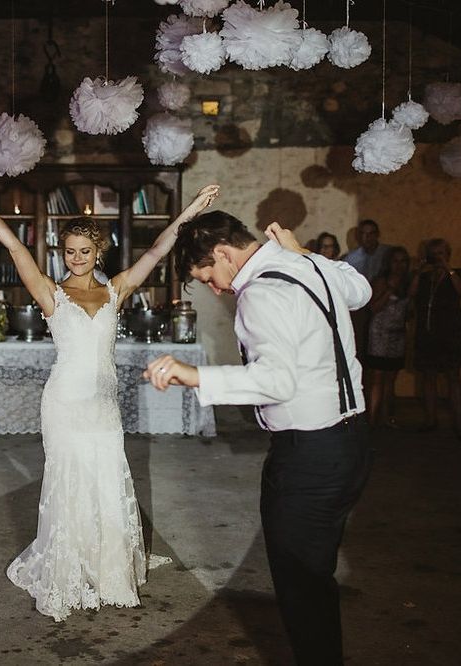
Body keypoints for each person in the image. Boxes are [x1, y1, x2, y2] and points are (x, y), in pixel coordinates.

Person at [0, 175, 220, 622]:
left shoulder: (116, 290)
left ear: (99, 253)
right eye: (69, 251)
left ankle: (107, 567)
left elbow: (156, 252)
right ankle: (68, 567)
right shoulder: (51, 293)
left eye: (84, 251)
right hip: (64, 404)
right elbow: (16, 250)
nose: (75, 258)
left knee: (107, 479)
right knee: (70, 483)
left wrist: (189, 213)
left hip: (103, 406)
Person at [143, 215, 373, 666]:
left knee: (302, 589)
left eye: (208, 275)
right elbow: (359, 290)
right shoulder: (310, 265)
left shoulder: (261, 293)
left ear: (225, 254)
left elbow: (276, 381)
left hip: (308, 457)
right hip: (352, 446)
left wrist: (194, 375)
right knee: (315, 579)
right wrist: (303, 250)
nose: (215, 288)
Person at [408, 238, 461, 435]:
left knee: (453, 379)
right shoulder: (424, 278)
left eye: (441, 253)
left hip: (449, 336)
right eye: (434, 253)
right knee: (428, 378)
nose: (437, 257)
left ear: (448, 254)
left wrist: (448, 268)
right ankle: (431, 420)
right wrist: (419, 271)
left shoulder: (455, 274)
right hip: (426, 335)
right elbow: (411, 294)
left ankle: (458, 422)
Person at [365, 246, 411, 428]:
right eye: (395, 261)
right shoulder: (381, 281)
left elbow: (409, 310)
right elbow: (373, 308)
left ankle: (387, 417)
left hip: (397, 335)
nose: (399, 265)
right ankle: (372, 419)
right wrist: (389, 289)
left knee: (391, 378)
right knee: (377, 378)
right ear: (388, 263)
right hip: (379, 334)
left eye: (403, 261)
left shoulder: (408, 282)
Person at [343, 220, 390, 363]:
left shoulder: (387, 254)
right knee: (360, 350)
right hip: (361, 310)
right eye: (363, 234)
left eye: (371, 234)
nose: (367, 238)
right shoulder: (351, 258)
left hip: (385, 308)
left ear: (377, 235)